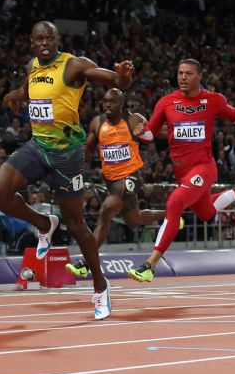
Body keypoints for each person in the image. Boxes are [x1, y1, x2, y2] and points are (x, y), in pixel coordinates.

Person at [0, 21, 134, 320]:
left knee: (76, 224)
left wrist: (123, 76)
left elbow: (111, 79)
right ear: (32, 42)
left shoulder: (74, 66)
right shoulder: (32, 67)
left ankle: (100, 286)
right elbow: (28, 91)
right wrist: (13, 96)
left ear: (57, 39)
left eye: (49, 38)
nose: (44, 43)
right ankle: (43, 223)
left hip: (67, 155)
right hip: (39, 147)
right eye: (39, 38)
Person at [128, 58, 235, 282]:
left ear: (200, 76)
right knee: (207, 212)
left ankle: (149, 264)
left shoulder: (212, 100)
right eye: (180, 73)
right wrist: (140, 132)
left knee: (174, 203)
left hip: (204, 167)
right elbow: (150, 135)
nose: (183, 77)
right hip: (182, 172)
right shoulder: (166, 102)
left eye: (189, 73)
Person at [64, 88, 181, 278]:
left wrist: (178, 127)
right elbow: (89, 149)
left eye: (112, 101)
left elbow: (157, 132)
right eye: (105, 101)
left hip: (131, 176)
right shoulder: (97, 123)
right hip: (111, 180)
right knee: (135, 220)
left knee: (105, 211)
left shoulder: (133, 120)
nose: (107, 104)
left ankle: (86, 263)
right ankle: (173, 216)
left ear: (121, 103)